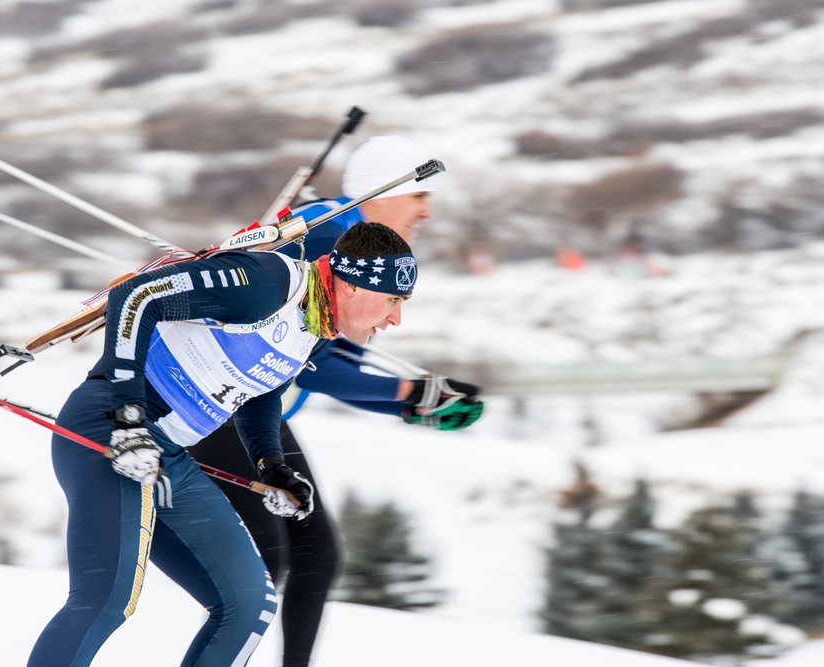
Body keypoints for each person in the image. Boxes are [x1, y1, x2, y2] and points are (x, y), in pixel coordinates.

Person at [28, 222, 419, 667]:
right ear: (351, 285)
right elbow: (136, 297)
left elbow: (263, 393)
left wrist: (270, 463)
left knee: (248, 604)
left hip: (166, 456)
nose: (395, 319)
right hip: (109, 430)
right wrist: (129, 417)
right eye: (392, 300)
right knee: (106, 598)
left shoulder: (312, 325)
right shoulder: (266, 284)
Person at [187, 136, 483, 667]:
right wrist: (412, 397)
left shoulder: (347, 234)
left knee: (314, 557)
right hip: (217, 402)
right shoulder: (327, 235)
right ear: (382, 192)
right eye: (420, 196)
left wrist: (412, 401)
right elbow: (312, 363)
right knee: (267, 565)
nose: (427, 211)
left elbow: (328, 359)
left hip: (256, 406)